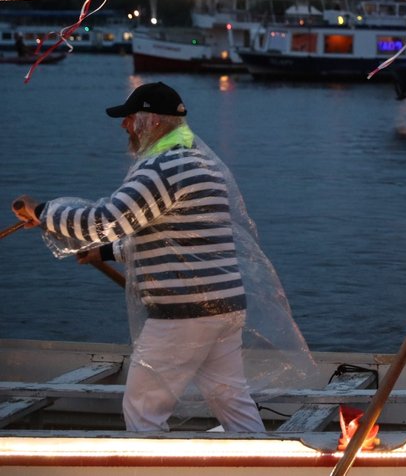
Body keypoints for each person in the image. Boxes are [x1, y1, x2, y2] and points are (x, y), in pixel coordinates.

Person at [12, 81, 316, 432]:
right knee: (231, 400)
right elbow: (177, 238)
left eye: (129, 118)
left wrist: (42, 211)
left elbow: (106, 220)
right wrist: (107, 252)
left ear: (152, 120)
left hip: (183, 314)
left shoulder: (162, 167)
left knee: (142, 410)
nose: (123, 125)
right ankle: (260, 463)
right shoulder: (199, 162)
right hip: (223, 306)